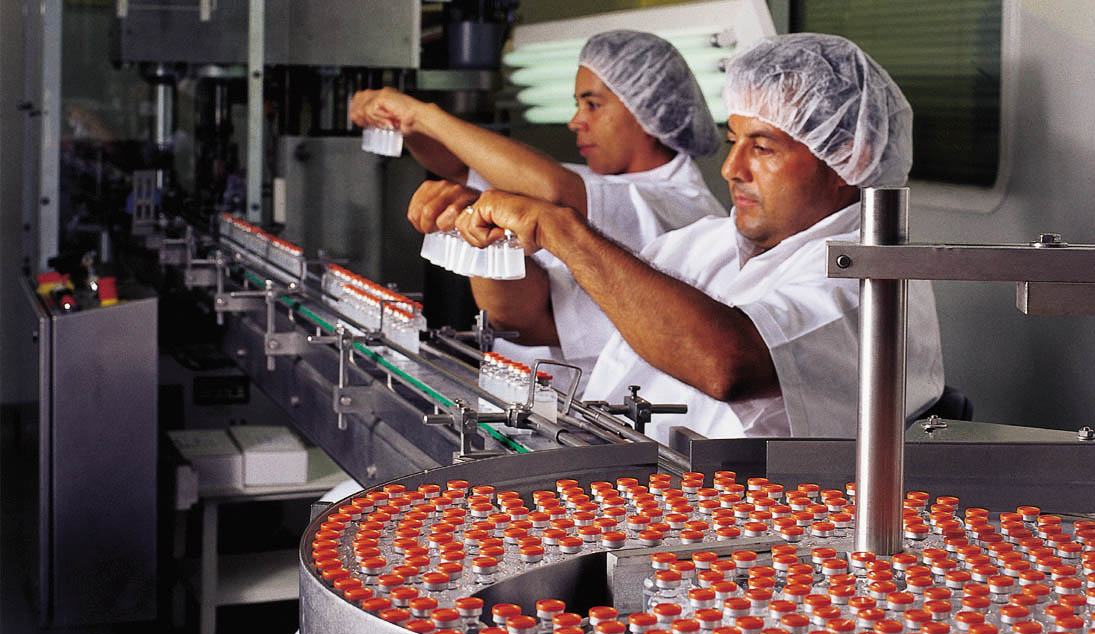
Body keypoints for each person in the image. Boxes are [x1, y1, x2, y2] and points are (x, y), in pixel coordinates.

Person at [411, 33, 944, 444]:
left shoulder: (874, 278)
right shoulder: (702, 245)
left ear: (848, 156)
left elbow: (727, 365)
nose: (732, 168)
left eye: (763, 146)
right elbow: (532, 321)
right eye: (734, 141)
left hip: (759, 549)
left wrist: (560, 227)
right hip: (638, 499)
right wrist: (488, 239)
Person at [350, 31, 726, 381]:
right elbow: (456, 163)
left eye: (592, 104)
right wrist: (398, 121)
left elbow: (554, 194)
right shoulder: (604, 183)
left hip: (590, 418)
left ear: (648, 109)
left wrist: (423, 115)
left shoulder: (680, 207)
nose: (575, 121)